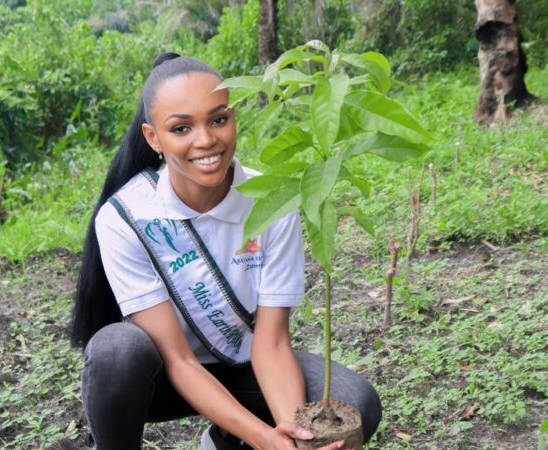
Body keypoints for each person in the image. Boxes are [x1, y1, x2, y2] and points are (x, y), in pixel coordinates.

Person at [71, 53, 381, 450]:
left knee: (355, 402)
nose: (206, 140)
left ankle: (224, 442)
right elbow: (180, 360)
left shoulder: (271, 199)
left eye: (218, 119)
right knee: (117, 350)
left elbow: (270, 343)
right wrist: (263, 437)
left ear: (234, 116)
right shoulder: (124, 218)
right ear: (154, 138)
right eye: (181, 128)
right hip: (165, 377)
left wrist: (293, 436)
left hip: (244, 367)